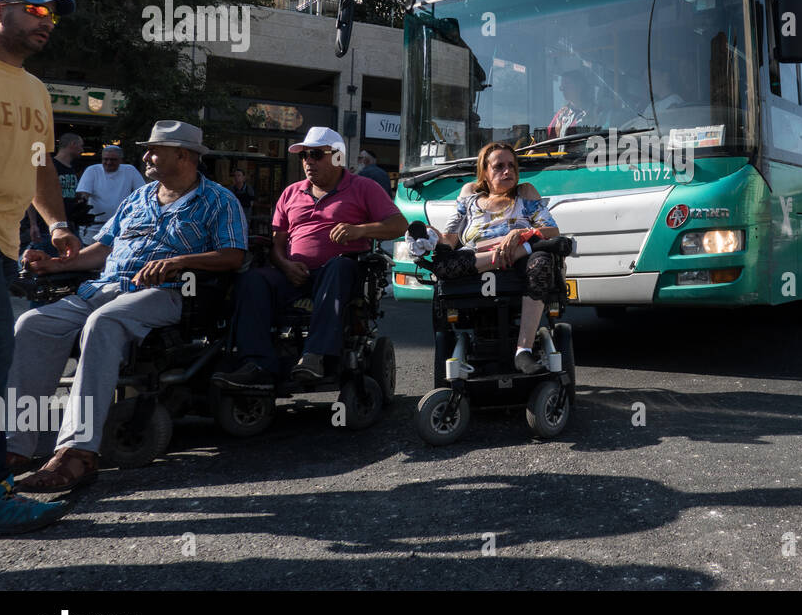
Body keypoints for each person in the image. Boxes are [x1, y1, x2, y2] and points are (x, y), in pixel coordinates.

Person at [6, 120, 246, 494]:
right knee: (32, 324)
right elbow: (101, 251)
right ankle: (13, 446)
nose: (146, 157)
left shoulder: (219, 200)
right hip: (104, 286)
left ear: (183, 155)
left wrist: (181, 262)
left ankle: (77, 452)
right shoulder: (138, 197)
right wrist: (55, 264)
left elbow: (233, 255)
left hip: (168, 293)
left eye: (154, 151)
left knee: (104, 322)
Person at [0, 0, 82, 534]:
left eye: (52, 15)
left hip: (1, 243)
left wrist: (57, 225)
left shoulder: (35, 91)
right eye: (33, 10)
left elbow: (39, 165)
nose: (46, 21)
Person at [213, 127, 406, 389]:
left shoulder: (363, 187)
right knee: (252, 280)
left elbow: (398, 225)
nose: (308, 162)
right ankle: (257, 364)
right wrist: (284, 264)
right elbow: (277, 244)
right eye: (304, 156)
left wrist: (359, 230)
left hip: (339, 273)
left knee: (338, 266)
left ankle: (315, 356)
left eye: (316, 155)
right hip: (293, 273)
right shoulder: (291, 192)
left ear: (337, 157)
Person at [431, 142, 568, 373]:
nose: (508, 171)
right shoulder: (469, 195)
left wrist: (520, 233)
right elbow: (450, 238)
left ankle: (522, 351)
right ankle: (503, 257)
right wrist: (429, 236)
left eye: (512, 166)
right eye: (499, 167)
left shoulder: (525, 193)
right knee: (442, 264)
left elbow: (552, 232)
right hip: (478, 255)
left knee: (542, 258)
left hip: (522, 256)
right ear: (484, 172)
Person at [20, 132, 86, 255]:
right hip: (45, 229)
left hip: (68, 226)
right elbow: (31, 195)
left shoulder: (70, 168)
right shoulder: (48, 168)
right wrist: (33, 224)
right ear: (73, 144)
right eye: (81, 146)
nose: (82, 150)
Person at [75, 144, 145, 244]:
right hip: (94, 226)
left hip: (121, 225)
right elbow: (84, 192)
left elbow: (142, 193)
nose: (108, 162)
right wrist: (82, 202)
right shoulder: (92, 170)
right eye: (105, 159)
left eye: (113, 160)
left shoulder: (130, 170)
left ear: (121, 160)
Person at [547, 70, 598, 138]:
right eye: (562, 86)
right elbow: (547, 137)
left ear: (579, 86)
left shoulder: (596, 112)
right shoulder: (561, 114)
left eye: (567, 84)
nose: (562, 89)